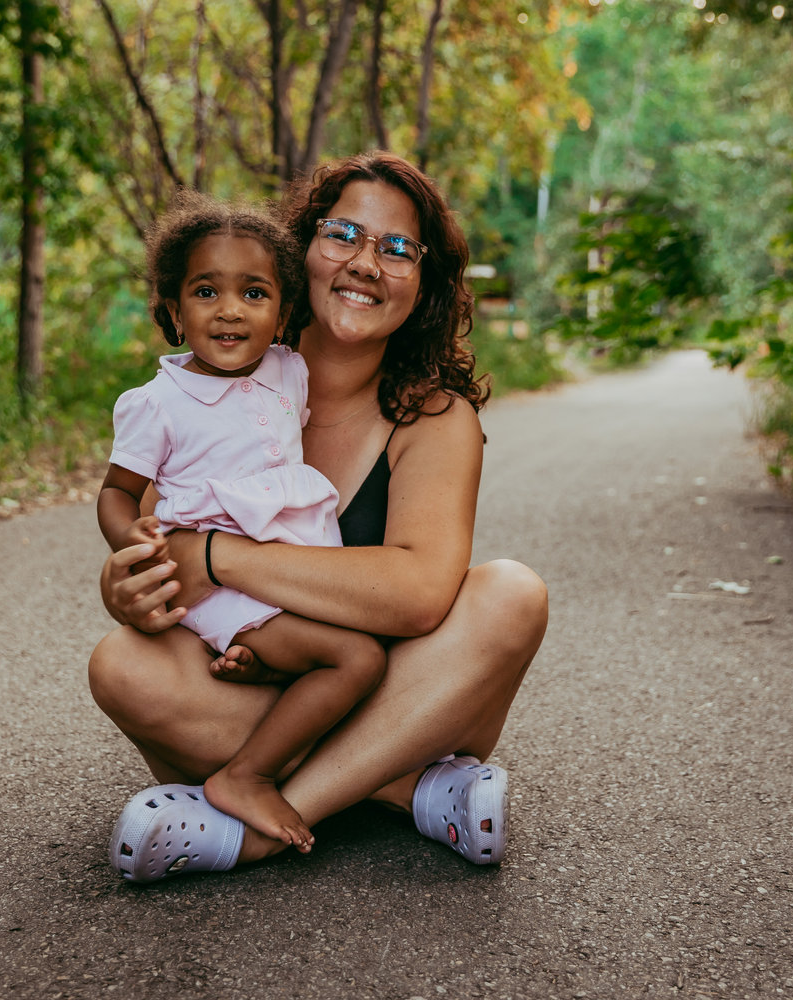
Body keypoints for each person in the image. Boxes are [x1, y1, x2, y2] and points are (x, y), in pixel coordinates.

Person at [90, 151, 549, 883]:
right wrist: (133, 589)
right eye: (342, 235)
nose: (367, 262)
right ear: (297, 253)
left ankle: (263, 826)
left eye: (398, 248)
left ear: (422, 284)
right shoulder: (220, 378)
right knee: (121, 665)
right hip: (263, 686)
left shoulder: (433, 416)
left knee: (513, 594)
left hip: (399, 689)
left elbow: (422, 590)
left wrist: (216, 558)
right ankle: (407, 788)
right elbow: (156, 542)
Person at [98, 192, 386, 852]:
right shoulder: (158, 403)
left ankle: (266, 690)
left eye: (254, 294)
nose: (230, 310)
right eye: (206, 291)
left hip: (290, 564)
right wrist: (133, 541)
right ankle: (247, 775)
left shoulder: (289, 369)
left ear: (283, 313)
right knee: (355, 659)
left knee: (356, 646)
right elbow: (117, 492)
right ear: (173, 310)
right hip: (218, 583)